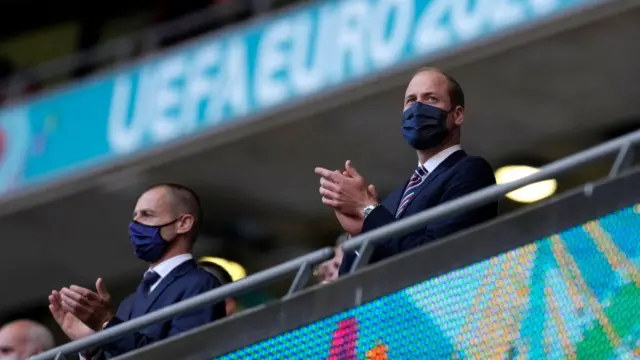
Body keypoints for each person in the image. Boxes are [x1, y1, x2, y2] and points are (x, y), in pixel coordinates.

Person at [315, 67, 499, 276]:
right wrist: (359, 232)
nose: (418, 108)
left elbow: (432, 259)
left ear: (457, 115)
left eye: (430, 99)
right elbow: (349, 286)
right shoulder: (391, 201)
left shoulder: (469, 172)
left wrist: (366, 208)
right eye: (411, 100)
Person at [48, 183, 226, 358]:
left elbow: (182, 355)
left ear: (183, 223)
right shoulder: (129, 303)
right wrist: (91, 345)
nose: (135, 224)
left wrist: (107, 324)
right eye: (135, 216)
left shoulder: (200, 284)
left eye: (147, 215)